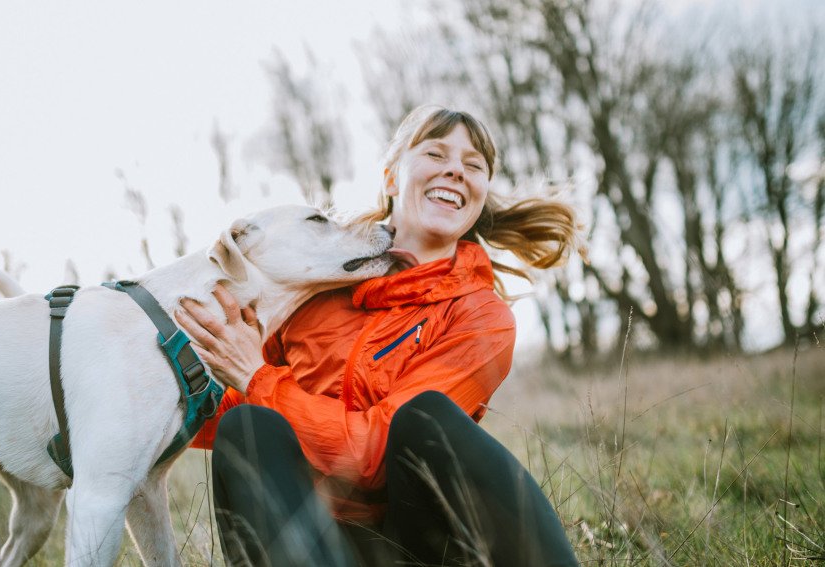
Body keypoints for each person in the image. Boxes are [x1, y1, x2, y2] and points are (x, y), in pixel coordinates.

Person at [175, 105, 582, 566]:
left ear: (480, 194)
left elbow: (371, 454)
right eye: (436, 153)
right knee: (246, 427)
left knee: (425, 417)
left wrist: (256, 377)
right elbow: (230, 398)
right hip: (316, 545)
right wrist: (173, 371)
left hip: (419, 545)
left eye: (474, 166)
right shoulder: (314, 286)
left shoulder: (480, 316)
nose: (455, 169)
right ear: (391, 178)